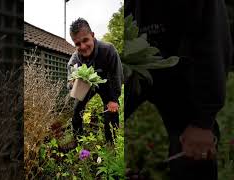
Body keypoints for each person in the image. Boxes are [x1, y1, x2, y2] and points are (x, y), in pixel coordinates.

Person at [124, 0, 233, 179]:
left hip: (183, 70)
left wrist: (202, 121)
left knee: (194, 153)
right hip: (132, 62)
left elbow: (212, 38)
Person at [67, 18, 124, 143]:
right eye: (77, 44)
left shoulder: (108, 50)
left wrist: (114, 99)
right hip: (87, 85)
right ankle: (78, 139)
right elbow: (70, 83)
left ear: (92, 35)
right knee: (77, 109)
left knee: (111, 112)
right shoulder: (75, 59)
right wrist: (72, 84)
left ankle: (112, 143)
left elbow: (116, 75)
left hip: (107, 84)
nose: (82, 46)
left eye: (85, 40)